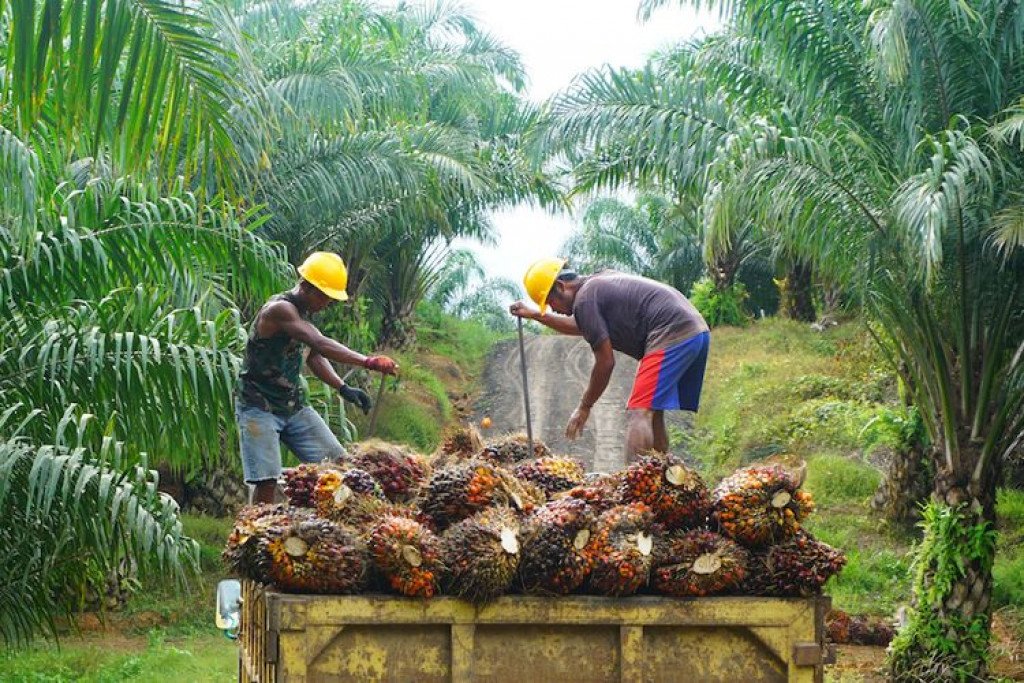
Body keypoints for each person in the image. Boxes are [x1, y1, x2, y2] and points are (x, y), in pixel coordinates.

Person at [237, 251, 398, 503]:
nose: (327, 304)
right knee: (266, 480)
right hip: (259, 407)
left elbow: (313, 356)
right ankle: (257, 531)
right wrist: (367, 361)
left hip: (293, 406)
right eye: (325, 297)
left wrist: (343, 388)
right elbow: (319, 343)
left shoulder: (303, 315)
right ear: (306, 287)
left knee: (339, 465)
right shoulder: (280, 309)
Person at [510, 257, 709, 459]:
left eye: (550, 302)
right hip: (695, 332)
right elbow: (582, 325)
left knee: (640, 411)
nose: (552, 309)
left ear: (561, 286)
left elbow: (605, 362)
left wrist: (584, 406)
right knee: (653, 412)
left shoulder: (585, 299)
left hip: (672, 333)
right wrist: (535, 315)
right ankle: (661, 481)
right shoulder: (595, 286)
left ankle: (632, 486)